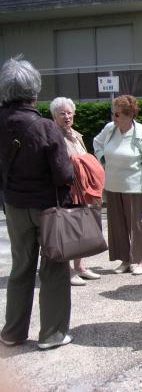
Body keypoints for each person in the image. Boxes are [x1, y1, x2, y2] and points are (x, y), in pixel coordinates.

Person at [0, 56, 74, 349]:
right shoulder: (45, 126)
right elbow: (64, 174)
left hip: (14, 206)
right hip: (47, 208)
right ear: (35, 90)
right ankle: (52, 334)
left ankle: (13, 332)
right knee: (54, 268)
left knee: (21, 267)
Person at [93, 95, 142, 275]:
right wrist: (103, 159)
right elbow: (96, 143)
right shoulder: (110, 129)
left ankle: (140, 259)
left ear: (129, 115)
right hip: (113, 184)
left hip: (134, 186)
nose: (113, 118)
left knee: (136, 225)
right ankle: (125, 259)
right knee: (117, 224)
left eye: (117, 114)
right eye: (113, 113)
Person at [50, 97, 102, 286]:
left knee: (83, 227)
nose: (66, 116)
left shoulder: (77, 135)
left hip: (83, 188)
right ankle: (69, 270)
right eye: (62, 113)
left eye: (69, 112)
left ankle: (80, 266)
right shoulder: (53, 135)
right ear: (54, 115)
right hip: (66, 189)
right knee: (68, 229)